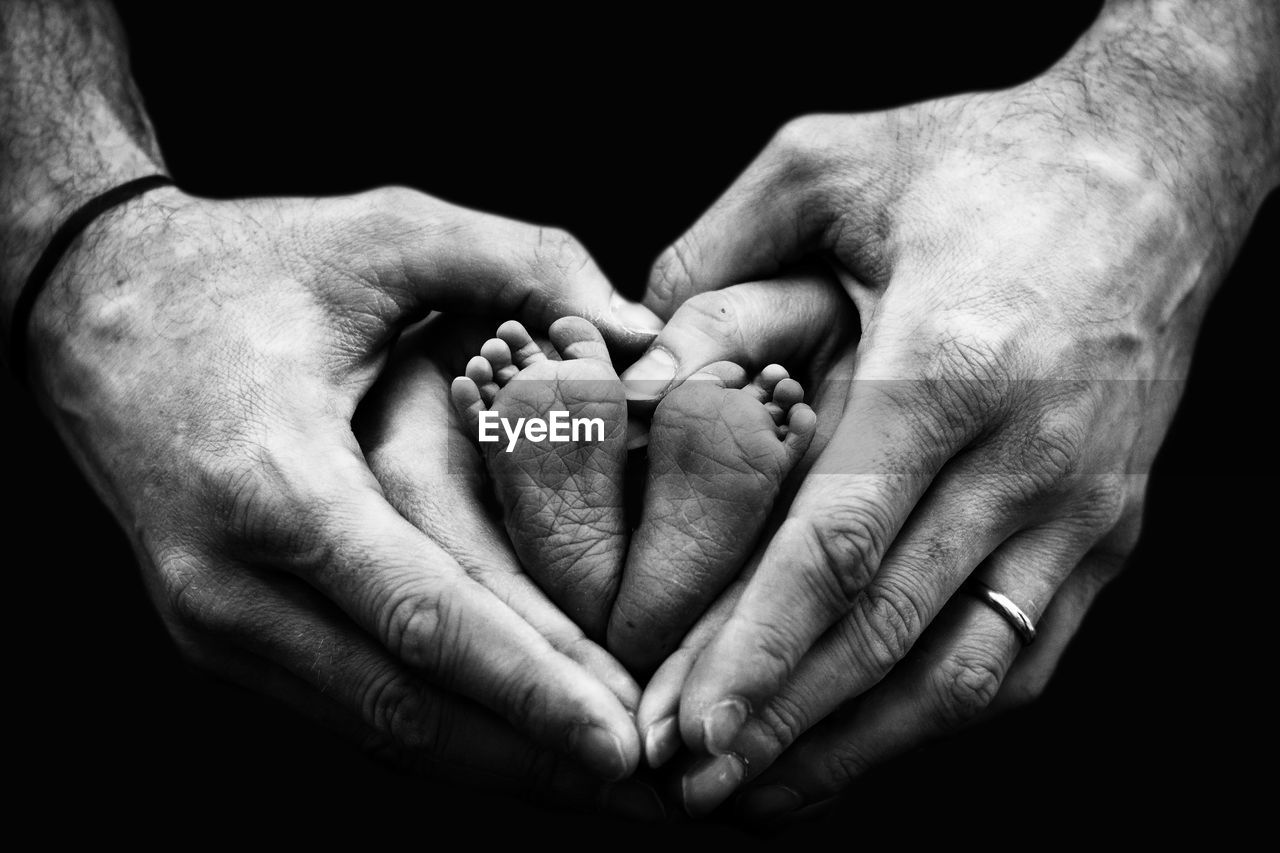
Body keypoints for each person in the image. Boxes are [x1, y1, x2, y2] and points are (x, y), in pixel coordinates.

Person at [2, 0, 1275, 833]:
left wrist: (1175, 122)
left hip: (1001, 271)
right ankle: (657, 562)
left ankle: (584, 495)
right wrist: (79, 234)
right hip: (266, 334)